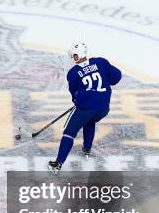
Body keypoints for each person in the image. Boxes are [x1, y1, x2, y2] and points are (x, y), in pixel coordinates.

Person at [48, 42, 122, 173]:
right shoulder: (100, 62)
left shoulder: (73, 73)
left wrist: (81, 99)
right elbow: (116, 76)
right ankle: (87, 149)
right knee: (90, 121)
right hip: (103, 108)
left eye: (74, 55)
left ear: (80, 54)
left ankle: (58, 164)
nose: (73, 58)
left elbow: (74, 94)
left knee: (69, 133)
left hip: (86, 108)